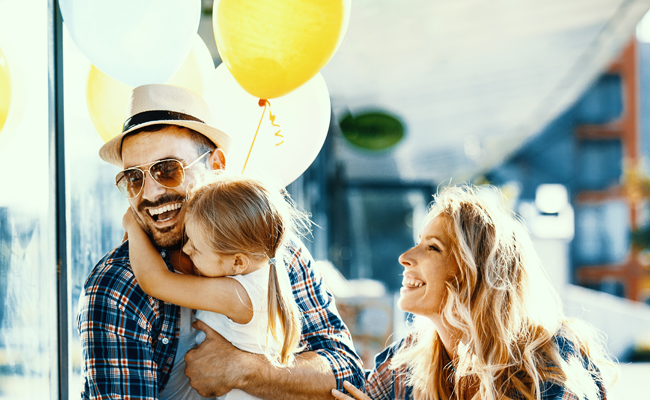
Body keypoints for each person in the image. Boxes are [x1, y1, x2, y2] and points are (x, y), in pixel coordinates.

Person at [77, 84, 364, 400]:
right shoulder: (118, 287)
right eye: (134, 178)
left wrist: (243, 369)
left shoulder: (274, 250)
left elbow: (347, 374)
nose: (150, 193)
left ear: (216, 164)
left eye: (168, 170)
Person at [331, 185, 614, 400]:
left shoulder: (549, 361)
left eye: (432, 247)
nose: (405, 257)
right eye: (418, 243)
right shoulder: (410, 358)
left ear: (473, 273)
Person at [121, 173, 309, 400]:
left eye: (195, 248)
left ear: (237, 262)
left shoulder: (237, 295)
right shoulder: (267, 268)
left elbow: (155, 281)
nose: (186, 250)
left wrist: (132, 225)